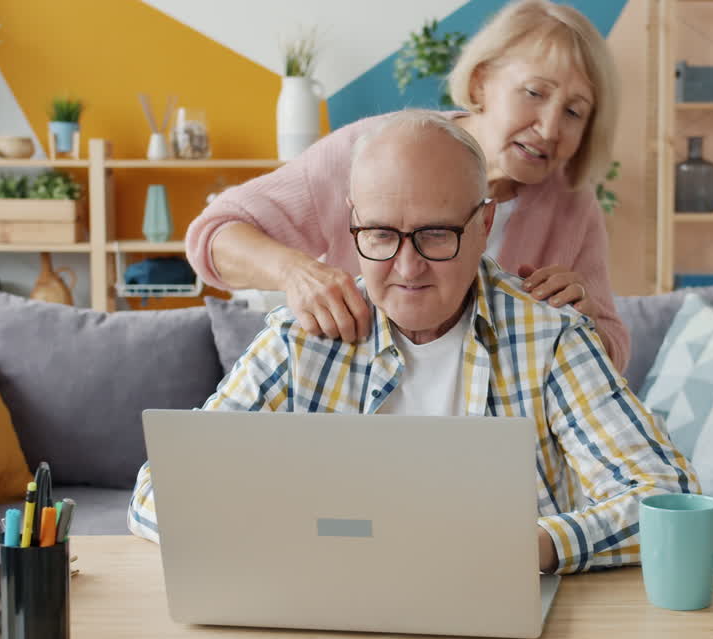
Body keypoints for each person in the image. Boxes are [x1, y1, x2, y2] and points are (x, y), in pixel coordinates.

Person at [132, 111, 696, 574]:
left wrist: (540, 545)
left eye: (434, 234)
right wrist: (278, 539)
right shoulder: (300, 341)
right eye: (380, 234)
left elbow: (668, 499)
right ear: (353, 223)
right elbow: (160, 490)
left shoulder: (551, 340)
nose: (407, 267)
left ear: (482, 225)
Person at [185, 0, 631, 371]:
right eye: (534, 93)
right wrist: (296, 273)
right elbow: (214, 234)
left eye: (574, 112)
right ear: (481, 82)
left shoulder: (574, 206)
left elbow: (614, 346)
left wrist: (584, 323)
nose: (550, 128)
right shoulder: (372, 153)